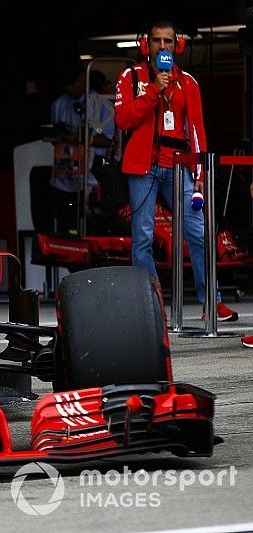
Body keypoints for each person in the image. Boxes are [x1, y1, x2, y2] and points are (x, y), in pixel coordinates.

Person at [115, 19, 237, 321]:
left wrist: (199, 176)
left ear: (177, 46)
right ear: (147, 44)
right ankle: (153, 306)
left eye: (168, 41)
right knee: (142, 236)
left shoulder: (189, 83)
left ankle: (212, 300)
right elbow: (122, 120)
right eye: (157, 41)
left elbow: (197, 131)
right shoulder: (131, 77)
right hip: (142, 165)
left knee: (198, 231)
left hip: (179, 165)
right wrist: (153, 91)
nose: (163, 47)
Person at [48, 64, 113, 233]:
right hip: (63, 176)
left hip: (90, 179)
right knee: (64, 224)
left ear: (83, 78)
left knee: (89, 225)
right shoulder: (59, 104)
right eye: (65, 85)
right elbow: (54, 134)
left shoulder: (99, 105)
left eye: (72, 83)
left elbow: (108, 140)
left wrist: (79, 139)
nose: (69, 88)